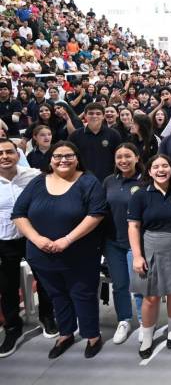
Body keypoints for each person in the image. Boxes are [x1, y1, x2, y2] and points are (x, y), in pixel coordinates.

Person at [12, 141, 107, 359]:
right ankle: (65, 333)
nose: (62, 160)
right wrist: (36, 239)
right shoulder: (37, 182)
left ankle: (92, 335)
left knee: (82, 294)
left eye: (68, 156)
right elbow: (19, 214)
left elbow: (97, 213)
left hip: (79, 253)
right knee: (57, 294)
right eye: (57, 156)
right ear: (51, 159)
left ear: (77, 158)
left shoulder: (88, 181)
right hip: (42, 253)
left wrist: (67, 239)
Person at [0, 139, 57, 358]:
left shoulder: (33, 176)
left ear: (18, 154)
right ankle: (13, 327)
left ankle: (47, 317)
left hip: (33, 236)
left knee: (44, 278)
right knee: (8, 285)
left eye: (9, 152)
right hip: (4, 240)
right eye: (0, 153)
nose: (4, 156)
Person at [128, 154, 171, 358]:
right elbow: (133, 226)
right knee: (151, 297)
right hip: (150, 247)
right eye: (156, 167)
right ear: (149, 171)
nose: (161, 170)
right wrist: (137, 256)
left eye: (165, 166)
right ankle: (147, 336)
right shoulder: (141, 194)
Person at [102, 143, 145, 345]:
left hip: (136, 243)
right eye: (119, 157)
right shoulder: (109, 181)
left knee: (138, 285)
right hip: (113, 242)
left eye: (128, 156)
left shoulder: (145, 181)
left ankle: (146, 322)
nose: (123, 160)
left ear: (137, 157)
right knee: (119, 285)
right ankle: (124, 320)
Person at [68, 102, 122, 181]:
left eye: (98, 113)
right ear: (85, 116)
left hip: (108, 180)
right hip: (82, 180)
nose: (94, 116)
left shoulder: (113, 134)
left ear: (103, 116)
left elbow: (119, 157)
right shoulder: (75, 136)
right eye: (91, 113)